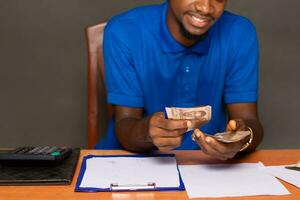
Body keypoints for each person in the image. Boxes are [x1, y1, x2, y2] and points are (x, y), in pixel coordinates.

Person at [96, 0, 264, 160]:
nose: (205, 8)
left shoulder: (239, 32)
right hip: (133, 162)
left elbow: (249, 121)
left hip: (209, 165)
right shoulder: (125, 31)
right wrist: (147, 132)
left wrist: (241, 139)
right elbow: (124, 123)